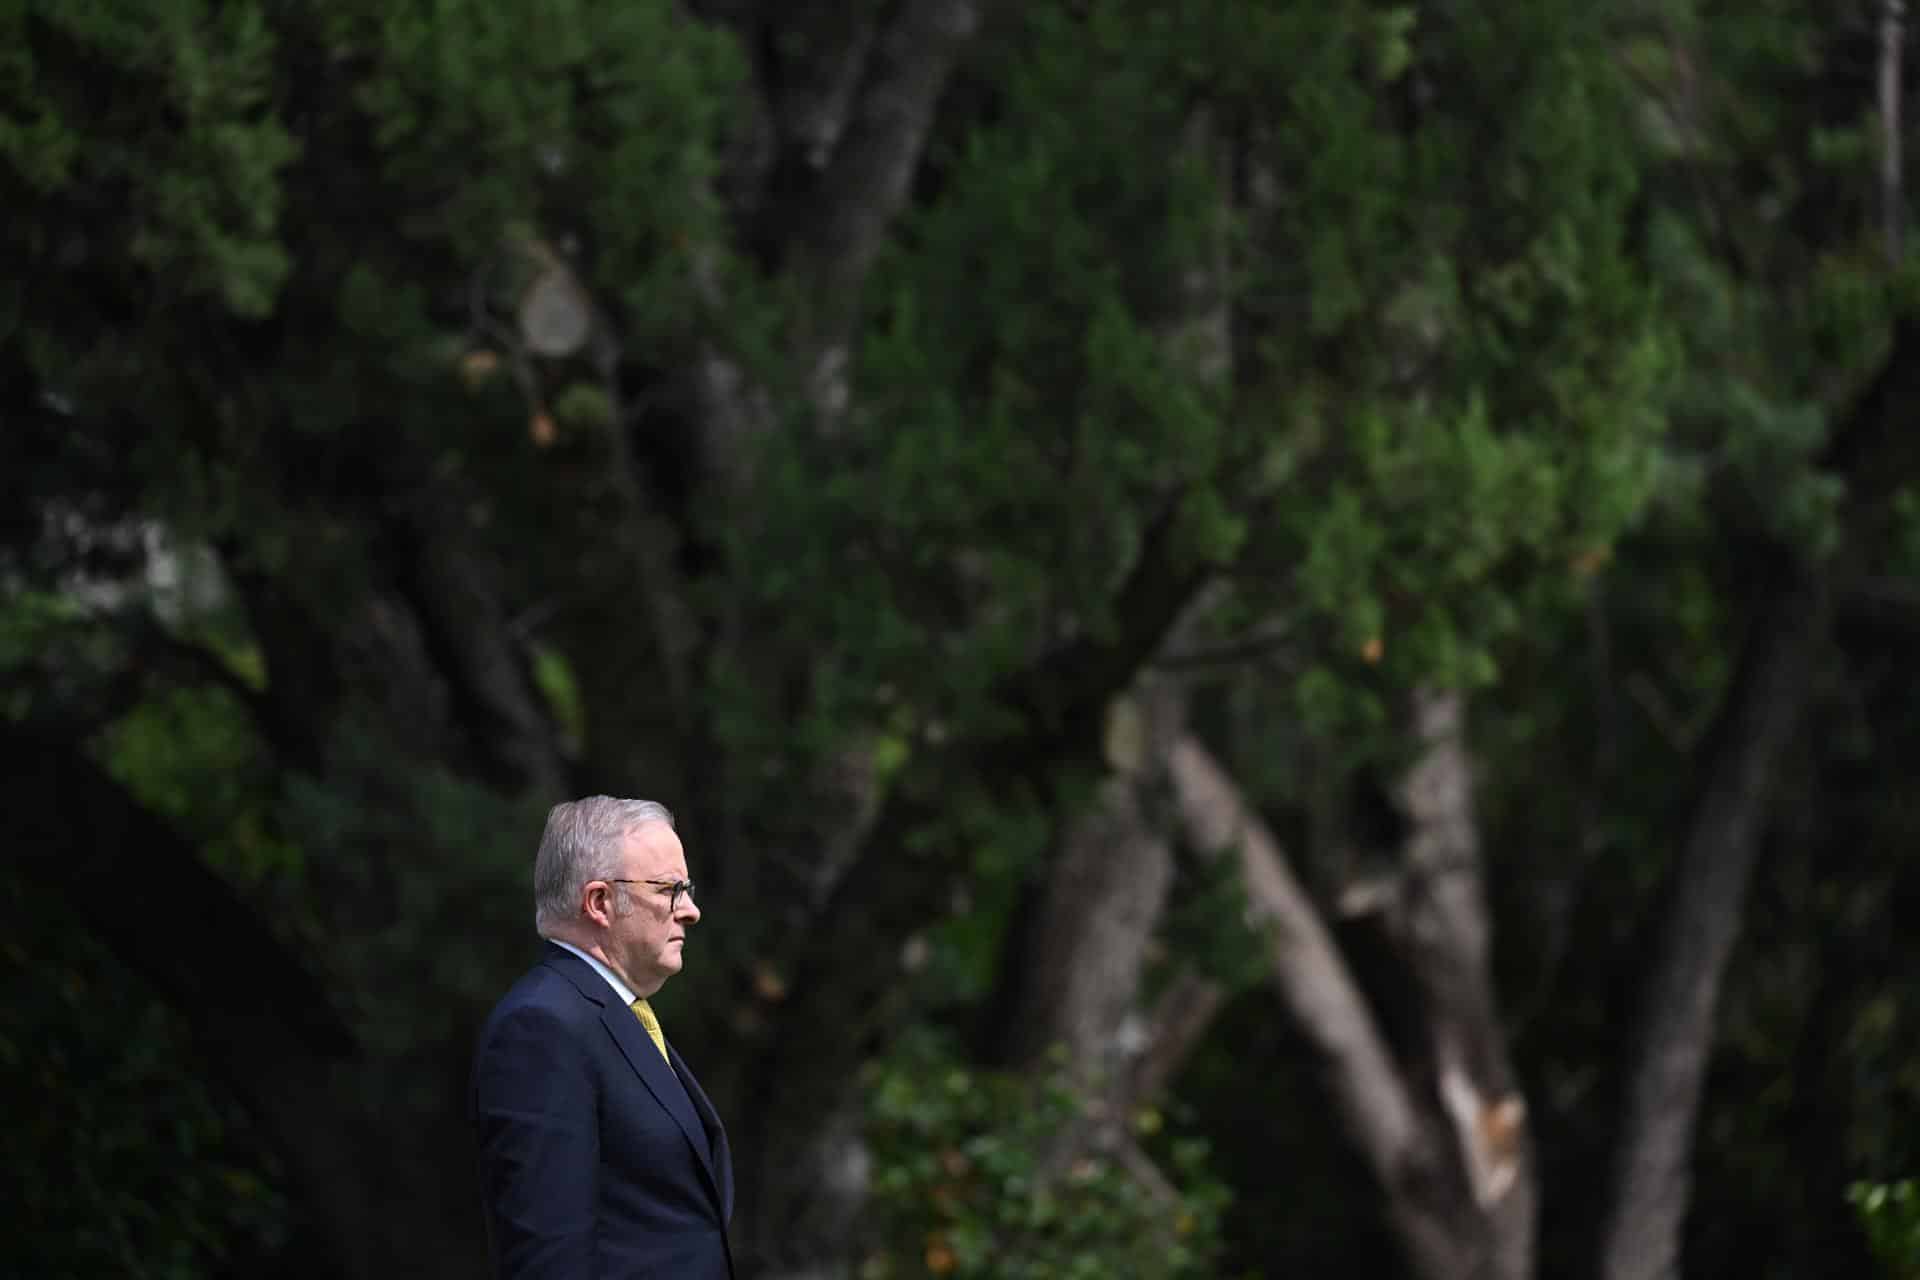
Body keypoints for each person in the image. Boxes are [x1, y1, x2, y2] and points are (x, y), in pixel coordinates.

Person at [472, 796, 733, 1278]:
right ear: (599, 902)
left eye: (687, 889)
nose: (691, 910)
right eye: (670, 889)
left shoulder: (612, 1013)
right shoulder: (542, 1027)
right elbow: (548, 1260)